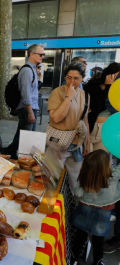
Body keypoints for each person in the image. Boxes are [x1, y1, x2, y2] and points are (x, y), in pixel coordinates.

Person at [70, 150, 120, 265]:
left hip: (84, 210)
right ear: (105, 166)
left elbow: (77, 193)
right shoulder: (113, 176)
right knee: (98, 241)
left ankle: (74, 262)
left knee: (80, 237)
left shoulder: (84, 177)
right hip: (103, 214)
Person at [47, 62, 90, 193]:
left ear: (83, 77)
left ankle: (71, 208)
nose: (72, 81)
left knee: (75, 182)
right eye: (69, 77)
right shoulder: (57, 92)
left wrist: (87, 143)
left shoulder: (85, 95)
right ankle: (50, 209)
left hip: (76, 144)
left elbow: (84, 120)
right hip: (58, 142)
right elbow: (55, 118)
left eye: (76, 78)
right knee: (52, 180)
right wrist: (69, 97)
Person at [3, 44, 44, 159]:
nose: (42, 57)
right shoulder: (27, 71)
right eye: (40, 54)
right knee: (27, 136)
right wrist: (30, 112)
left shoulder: (32, 70)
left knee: (22, 135)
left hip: (29, 108)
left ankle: (8, 151)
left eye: (43, 54)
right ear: (31, 54)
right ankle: (13, 154)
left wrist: (39, 78)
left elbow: (33, 91)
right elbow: (26, 94)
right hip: (27, 109)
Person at [83, 62, 120, 153]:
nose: (116, 79)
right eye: (115, 76)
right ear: (108, 75)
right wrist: (108, 88)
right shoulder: (92, 87)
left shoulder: (117, 90)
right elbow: (97, 107)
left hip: (107, 129)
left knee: (100, 161)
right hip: (91, 127)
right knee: (87, 160)